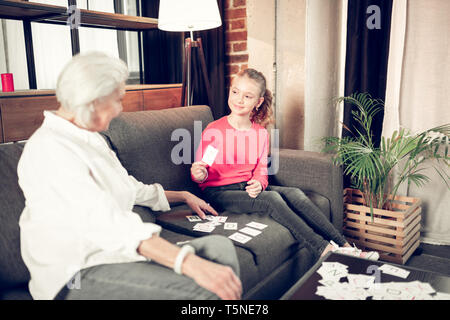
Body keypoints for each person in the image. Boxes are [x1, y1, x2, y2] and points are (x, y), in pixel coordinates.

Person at [17, 52, 242, 300]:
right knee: (203, 289)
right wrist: (186, 262)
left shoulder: (90, 138)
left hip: (117, 255)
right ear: (93, 100)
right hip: (77, 272)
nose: (120, 109)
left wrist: (183, 195)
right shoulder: (50, 149)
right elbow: (104, 222)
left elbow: (130, 188)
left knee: (219, 248)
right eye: (117, 100)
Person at [191, 68, 379, 261]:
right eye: (235, 92)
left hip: (246, 187)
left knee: (296, 194)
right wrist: (199, 174)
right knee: (271, 199)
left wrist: (259, 183)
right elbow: (202, 170)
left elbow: (261, 170)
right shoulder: (214, 130)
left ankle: (346, 246)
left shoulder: (260, 134)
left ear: (258, 102)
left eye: (247, 96)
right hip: (219, 192)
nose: (239, 99)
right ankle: (323, 250)